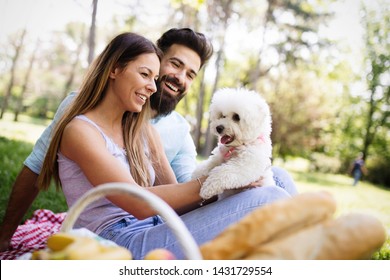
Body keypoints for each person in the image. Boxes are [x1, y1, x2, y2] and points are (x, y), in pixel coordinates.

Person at [0, 28, 297, 257]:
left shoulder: (142, 130)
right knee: (271, 199)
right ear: (114, 69)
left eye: (154, 78)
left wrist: (237, 179)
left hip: (154, 227)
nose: (152, 87)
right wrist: (221, 178)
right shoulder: (80, 129)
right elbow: (137, 203)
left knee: (279, 178)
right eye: (145, 75)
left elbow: (182, 202)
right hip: (117, 241)